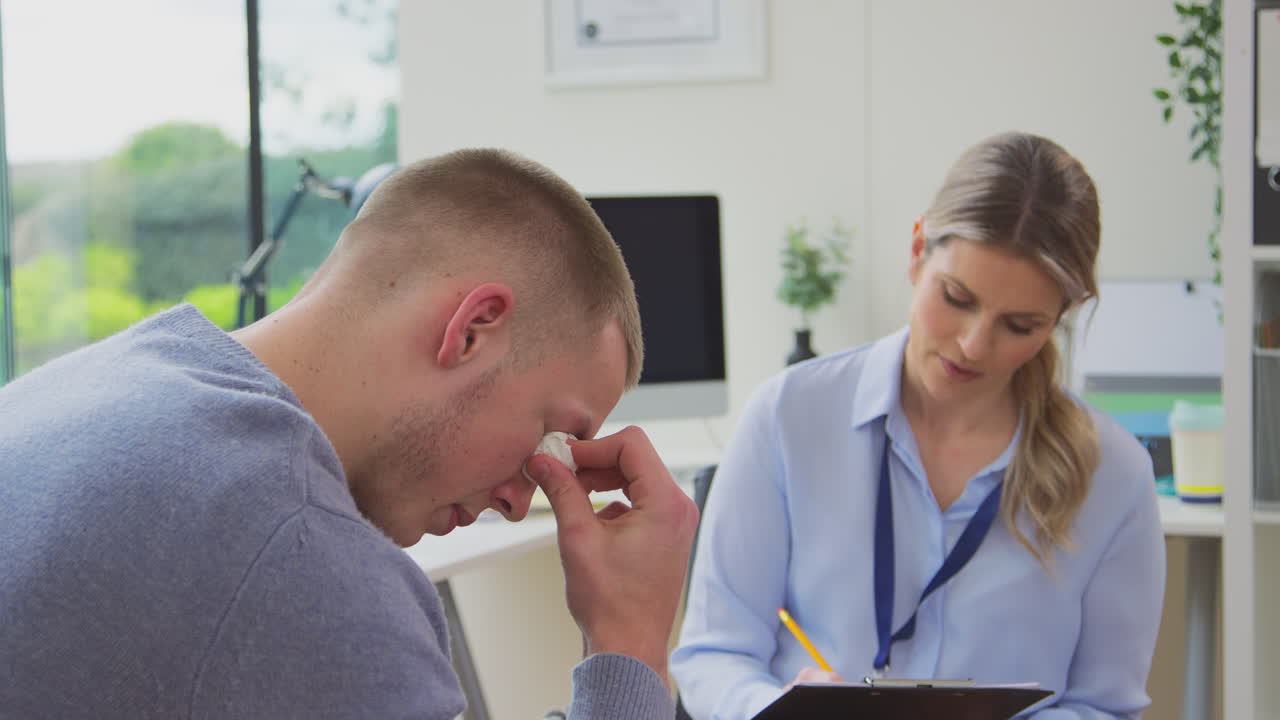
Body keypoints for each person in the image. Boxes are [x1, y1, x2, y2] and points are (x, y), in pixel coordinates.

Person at [0, 148, 699, 719]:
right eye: (550, 436)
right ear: (473, 329)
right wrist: (630, 646)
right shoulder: (294, 551)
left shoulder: (87, 386)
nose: (523, 501)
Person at [670, 132, 1166, 719]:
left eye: (1020, 325)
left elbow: (1106, 707)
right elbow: (714, 654)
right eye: (956, 297)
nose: (974, 345)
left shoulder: (1115, 474)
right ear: (916, 250)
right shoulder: (789, 416)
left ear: (1063, 315)